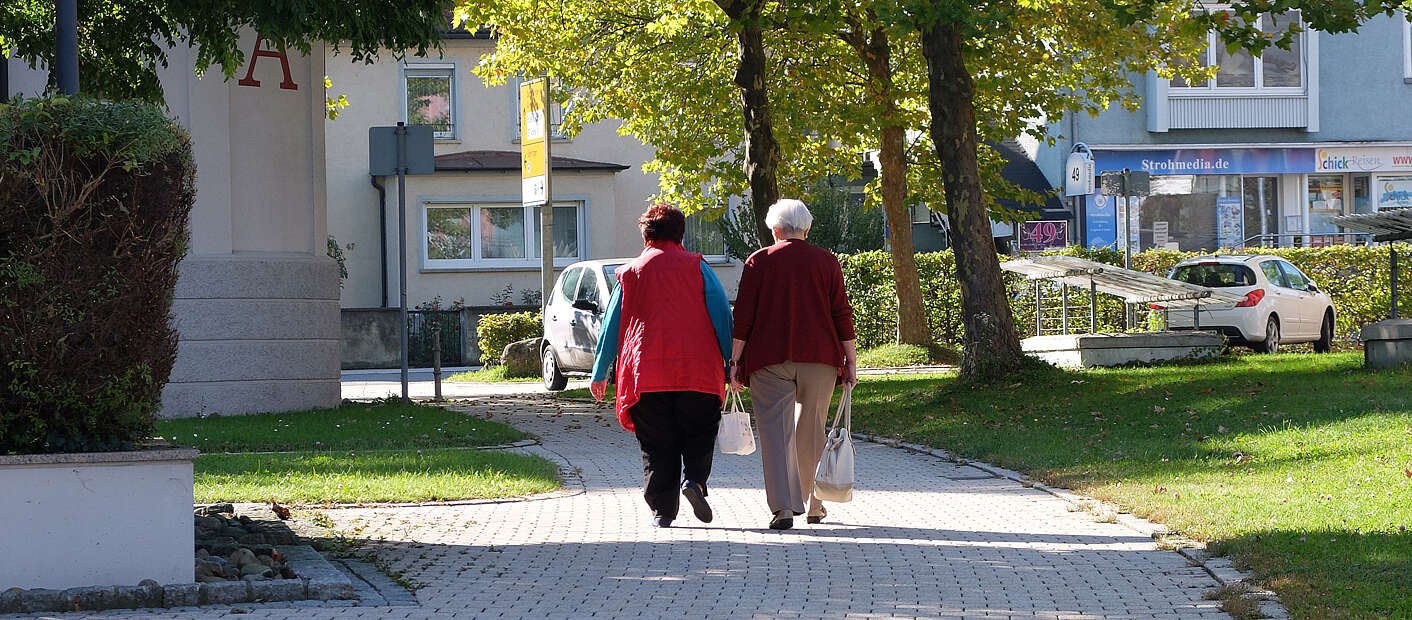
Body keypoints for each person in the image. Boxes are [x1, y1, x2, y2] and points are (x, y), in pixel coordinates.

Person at [591, 203, 733, 528]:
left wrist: (600, 372)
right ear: (680, 232)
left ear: (645, 234)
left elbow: (612, 325)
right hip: (698, 370)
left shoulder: (630, 273)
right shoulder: (698, 267)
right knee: (699, 432)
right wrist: (732, 360)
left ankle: (662, 511)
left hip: (646, 373)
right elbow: (721, 316)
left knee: (656, 444)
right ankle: (695, 482)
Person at [730, 198, 858, 530]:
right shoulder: (826, 261)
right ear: (807, 228)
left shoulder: (759, 261)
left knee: (775, 433)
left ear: (775, 229)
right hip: (820, 357)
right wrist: (852, 362)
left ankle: (783, 508)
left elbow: (743, 317)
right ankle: (814, 505)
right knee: (812, 430)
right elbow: (841, 314)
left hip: (768, 359)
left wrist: (734, 361)